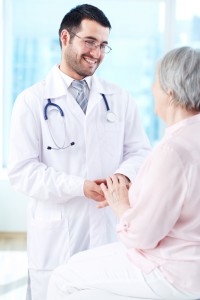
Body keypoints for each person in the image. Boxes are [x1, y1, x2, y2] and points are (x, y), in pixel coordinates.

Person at [7, 4, 151, 300]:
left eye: (103, 45)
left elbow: (139, 151)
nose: (97, 53)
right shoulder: (31, 101)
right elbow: (22, 172)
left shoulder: (119, 98)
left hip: (109, 227)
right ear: (65, 38)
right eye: (89, 42)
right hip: (59, 234)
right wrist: (79, 187)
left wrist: (122, 177)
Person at [46, 46, 200, 300]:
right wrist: (132, 190)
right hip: (188, 261)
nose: (153, 89)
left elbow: (142, 236)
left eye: (156, 82)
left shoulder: (173, 150)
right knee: (76, 267)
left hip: (173, 271)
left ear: (171, 93)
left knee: (63, 278)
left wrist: (121, 204)